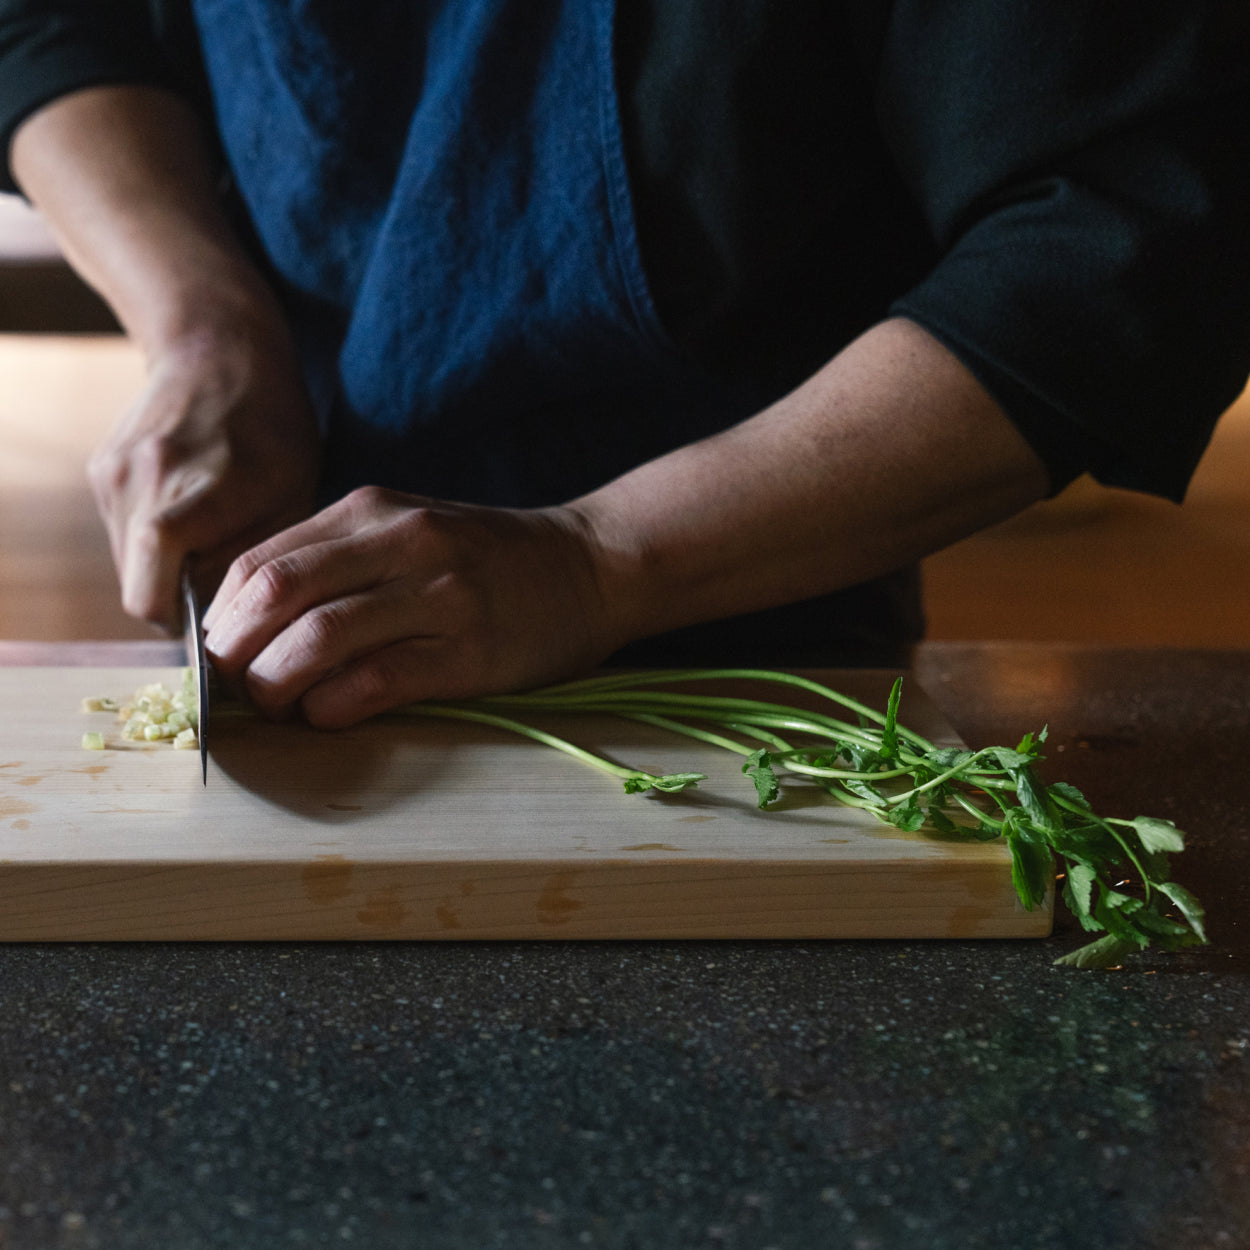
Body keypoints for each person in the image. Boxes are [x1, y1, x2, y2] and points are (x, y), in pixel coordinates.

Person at [2, 2, 1248, 728]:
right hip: (294, 635)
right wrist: (204, 321)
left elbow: (1122, 228)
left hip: (751, 646)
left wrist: (599, 559)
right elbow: (55, 19)